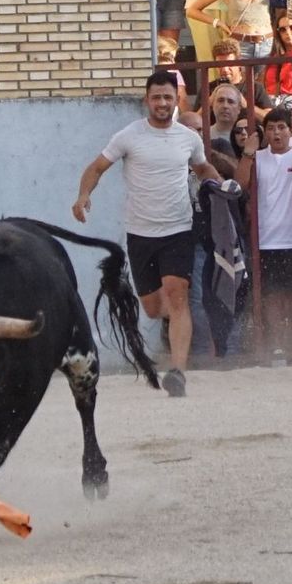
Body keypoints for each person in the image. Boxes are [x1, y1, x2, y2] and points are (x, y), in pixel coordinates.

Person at [73, 71, 223, 397]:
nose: (162, 103)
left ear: (176, 99)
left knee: (178, 293)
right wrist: (84, 195)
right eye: (156, 97)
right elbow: (97, 167)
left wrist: (221, 186)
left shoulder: (188, 138)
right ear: (147, 100)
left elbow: (202, 168)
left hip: (178, 229)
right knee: (154, 308)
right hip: (140, 233)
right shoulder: (129, 136)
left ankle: (178, 372)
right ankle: (176, 320)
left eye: (168, 97)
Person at [235, 106, 292, 361]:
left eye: (282, 127)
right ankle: (276, 345)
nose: (276, 133)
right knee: (272, 296)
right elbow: (239, 185)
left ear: (290, 130)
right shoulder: (258, 157)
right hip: (266, 239)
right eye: (271, 128)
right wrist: (248, 153)